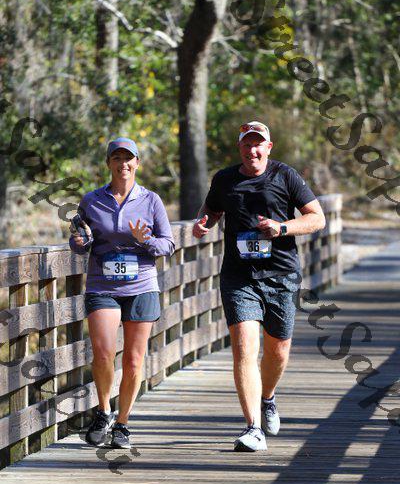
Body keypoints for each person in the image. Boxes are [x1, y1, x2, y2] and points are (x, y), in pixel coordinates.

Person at [192, 121, 326, 452]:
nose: (252, 150)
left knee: (278, 350)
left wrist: (282, 228)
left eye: (258, 144)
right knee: (244, 348)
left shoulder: (286, 176)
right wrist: (204, 223)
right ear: (239, 147)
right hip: (239, 276)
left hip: (281, 274)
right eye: (246, 144)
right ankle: (253, 428)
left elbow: (317, 218)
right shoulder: (225, 179)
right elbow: (211, 209)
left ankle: (268, 397)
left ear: (269, 147)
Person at [69, 137, 174, 448]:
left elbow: (168, 244)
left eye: (129, 158)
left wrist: (146, 241)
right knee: (103, 353)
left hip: (141, 286)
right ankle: (104, 411)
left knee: (133, 360)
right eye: (117, 158)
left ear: (137, 163)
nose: (123, 164)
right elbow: (80, 240)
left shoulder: (151, 200)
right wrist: (79, 242)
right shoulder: (92, 200)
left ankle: (123, 423)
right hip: (103, 285)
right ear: (109, 163)